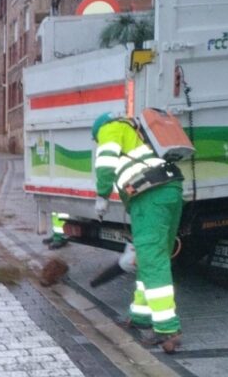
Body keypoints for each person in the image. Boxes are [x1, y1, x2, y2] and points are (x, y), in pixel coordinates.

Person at [92, 112, 184, 353]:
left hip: (149, 195)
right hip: (171, 189)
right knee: (152, 257)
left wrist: (102, 196)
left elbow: (105, 164)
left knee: (152, 260)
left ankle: (167, 329)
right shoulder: (136, 131)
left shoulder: (109, 128)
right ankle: (141, 315)